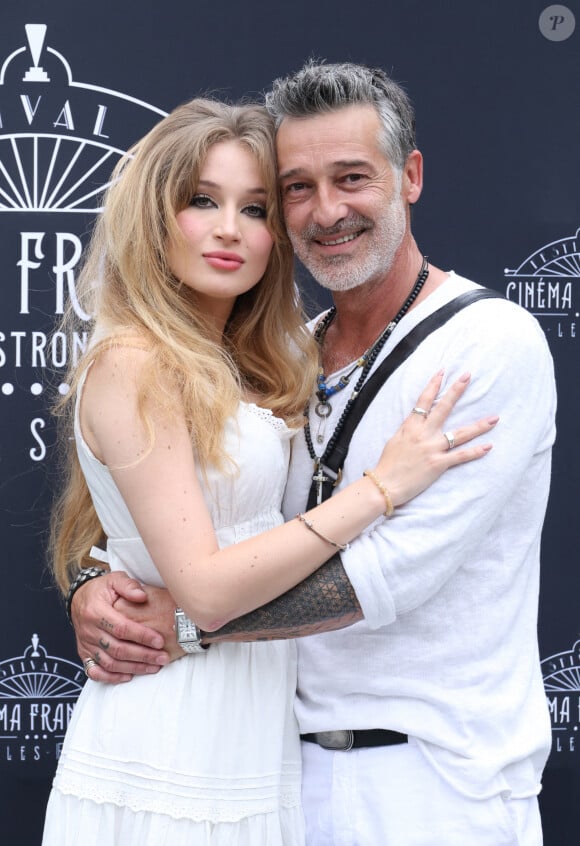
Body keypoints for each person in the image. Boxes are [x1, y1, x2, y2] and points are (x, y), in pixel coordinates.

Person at [68, 63, 556, 846]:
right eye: (295, 188)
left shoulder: (488, 342)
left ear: (411, 177)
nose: (326, 212)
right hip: (272, 767)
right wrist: (100, 586)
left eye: (352, 178)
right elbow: (183, 512)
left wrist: (189, 624)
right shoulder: (288, 358)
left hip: (431, 787)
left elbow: (389, 571)